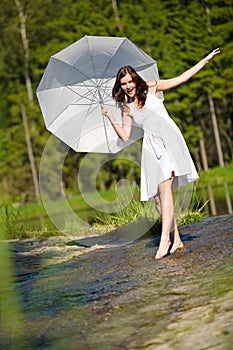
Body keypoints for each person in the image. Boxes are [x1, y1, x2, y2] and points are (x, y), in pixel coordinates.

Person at [102, 48, 220, 260]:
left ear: (135, 79)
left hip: (168, 138)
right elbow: (125, 136)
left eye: (129, 82)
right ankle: (178, 239)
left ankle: (164, 239)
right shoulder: (126, 107)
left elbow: (182, 78)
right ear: (120, 86)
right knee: (157, 199)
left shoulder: (152, 87)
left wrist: (204, 60)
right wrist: (110, 117)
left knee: (165, 188)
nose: (127, 86)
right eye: (123, 84)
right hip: (150, 145)